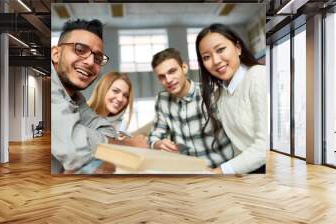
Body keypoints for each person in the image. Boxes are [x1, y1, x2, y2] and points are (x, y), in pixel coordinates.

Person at [51, 19, 147, 174]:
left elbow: (107, 132)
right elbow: (74, 149)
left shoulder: (76, 99)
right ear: (56, 54)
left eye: (97, 58)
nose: (90, 62)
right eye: (80, 50)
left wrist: (101, 142)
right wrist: (128, 145)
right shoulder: (49, 88)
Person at [196, 23, 268, 174]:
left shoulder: (258, 76)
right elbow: (238, 146)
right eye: (206, 57)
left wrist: (219, 172)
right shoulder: (221, 94)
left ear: (238, 48)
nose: (216, 61)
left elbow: (265, 147)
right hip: (247, 172)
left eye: (221, 49)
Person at [148, 48, 234, 169]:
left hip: (220, 169)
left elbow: (236, 134)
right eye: (162, 76)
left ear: (184, 68)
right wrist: (158, 144)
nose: (168, 80)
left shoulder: (212, 93)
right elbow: (154, 137)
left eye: (172, 71)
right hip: (188, 172)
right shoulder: (162, 100)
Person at [87, 72, 134, 136]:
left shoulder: (119, 126)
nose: (120, 99)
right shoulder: (81, 117)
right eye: (115, 91)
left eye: (125, 95)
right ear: (103, 89)